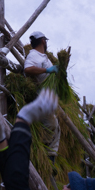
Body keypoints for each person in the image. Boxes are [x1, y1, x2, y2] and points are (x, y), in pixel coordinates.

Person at [23, 31, 61, 160]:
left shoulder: (44, 57)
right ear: (43, 41)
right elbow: (27, 69)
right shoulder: (34, 55)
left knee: (56, 127)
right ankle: (45, 157)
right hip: (40, 97)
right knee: (52, 125)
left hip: (48, 98)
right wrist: (47, 70)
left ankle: (50, 156)